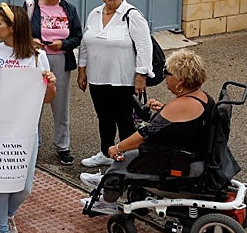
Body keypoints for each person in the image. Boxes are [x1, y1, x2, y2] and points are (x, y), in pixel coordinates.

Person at [81, 50, 212, 212]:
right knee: (128, 155)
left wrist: (116, 148)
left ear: (180, 80)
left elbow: (143, 135)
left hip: (183, 161)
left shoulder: (179, 105)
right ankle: (108, 176)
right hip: (194, 153)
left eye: (167, 73)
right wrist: (164, 110)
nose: (164, 77)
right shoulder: (202, 97)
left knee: (125, 156)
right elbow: (184, 122)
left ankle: (107, 201)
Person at [0, 3, 56, 233]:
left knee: (24, 187)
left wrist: (51, 84)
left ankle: (9, 216)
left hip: (26, 129)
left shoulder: (35, 55)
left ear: (13, 27)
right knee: (1, 183)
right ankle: (2, 232)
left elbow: (47, 98)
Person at [77, 0, 154, 168]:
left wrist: (141, 75)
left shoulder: (132, 15)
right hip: (97, 77)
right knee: (104, 117)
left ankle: (128, 158)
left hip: (123, 79)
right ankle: (106, 152)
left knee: (125, 120)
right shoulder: (94, 14)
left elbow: (145, 47)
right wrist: (82, 70)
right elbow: (85, 43)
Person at [25, 0, 84, 165]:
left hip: (60, 59)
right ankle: (34, 143)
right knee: (33, 102)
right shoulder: (30, 8)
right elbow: (17, 32)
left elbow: (77, 36)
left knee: (60, 104)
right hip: (35, 59)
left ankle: (63, 146)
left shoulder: (69, 9)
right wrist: (31, 40)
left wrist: (64, 44)